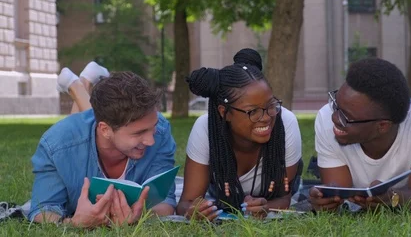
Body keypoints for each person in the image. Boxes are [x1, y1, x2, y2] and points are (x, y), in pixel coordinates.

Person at [28, 62, 177, 227]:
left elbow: (165, 203)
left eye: (153, 128)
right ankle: (79, 83)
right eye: (139, 133)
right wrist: (74, 223)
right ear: (105, 130)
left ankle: (80, 83)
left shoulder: (160, 130)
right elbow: (43, 210)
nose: (151, 141)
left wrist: (139, 215)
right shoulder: (57, 146)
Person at [309, 58, 411, 211]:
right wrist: (327, 200)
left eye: (346, 117)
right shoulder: (327, 118)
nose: (334, 117)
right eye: (336, 104)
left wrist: (394, 197)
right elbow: (339, 194)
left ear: (382, 126)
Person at [176, 48, 302, 220]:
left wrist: (267, 207)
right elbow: (186, 202)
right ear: (224, 112)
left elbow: (284, 198)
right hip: (220, 193)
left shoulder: (285, 122)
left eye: (271, 105)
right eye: (253, 111)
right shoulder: (205, 128)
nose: (266, 118)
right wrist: (195, 211)